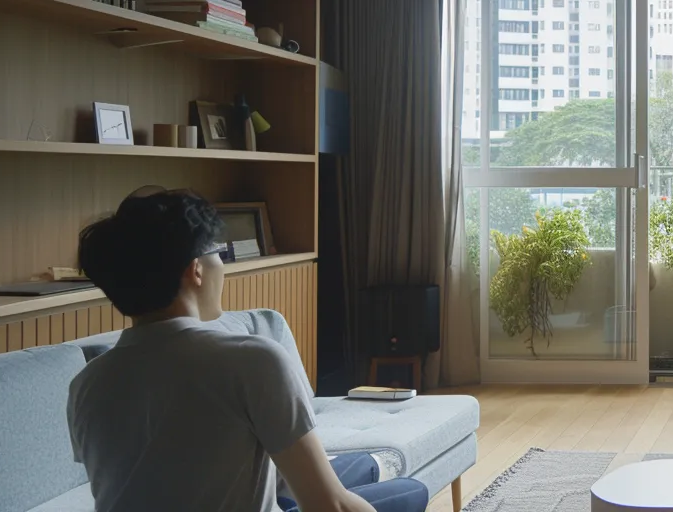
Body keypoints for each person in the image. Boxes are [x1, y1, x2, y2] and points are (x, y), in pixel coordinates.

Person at [68, 187, 430, 512]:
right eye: (218, 253)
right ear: (195, 270)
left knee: (356, 467)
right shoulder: (253, 360)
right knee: (409, 492)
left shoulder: (87, 384)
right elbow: (328, 506)